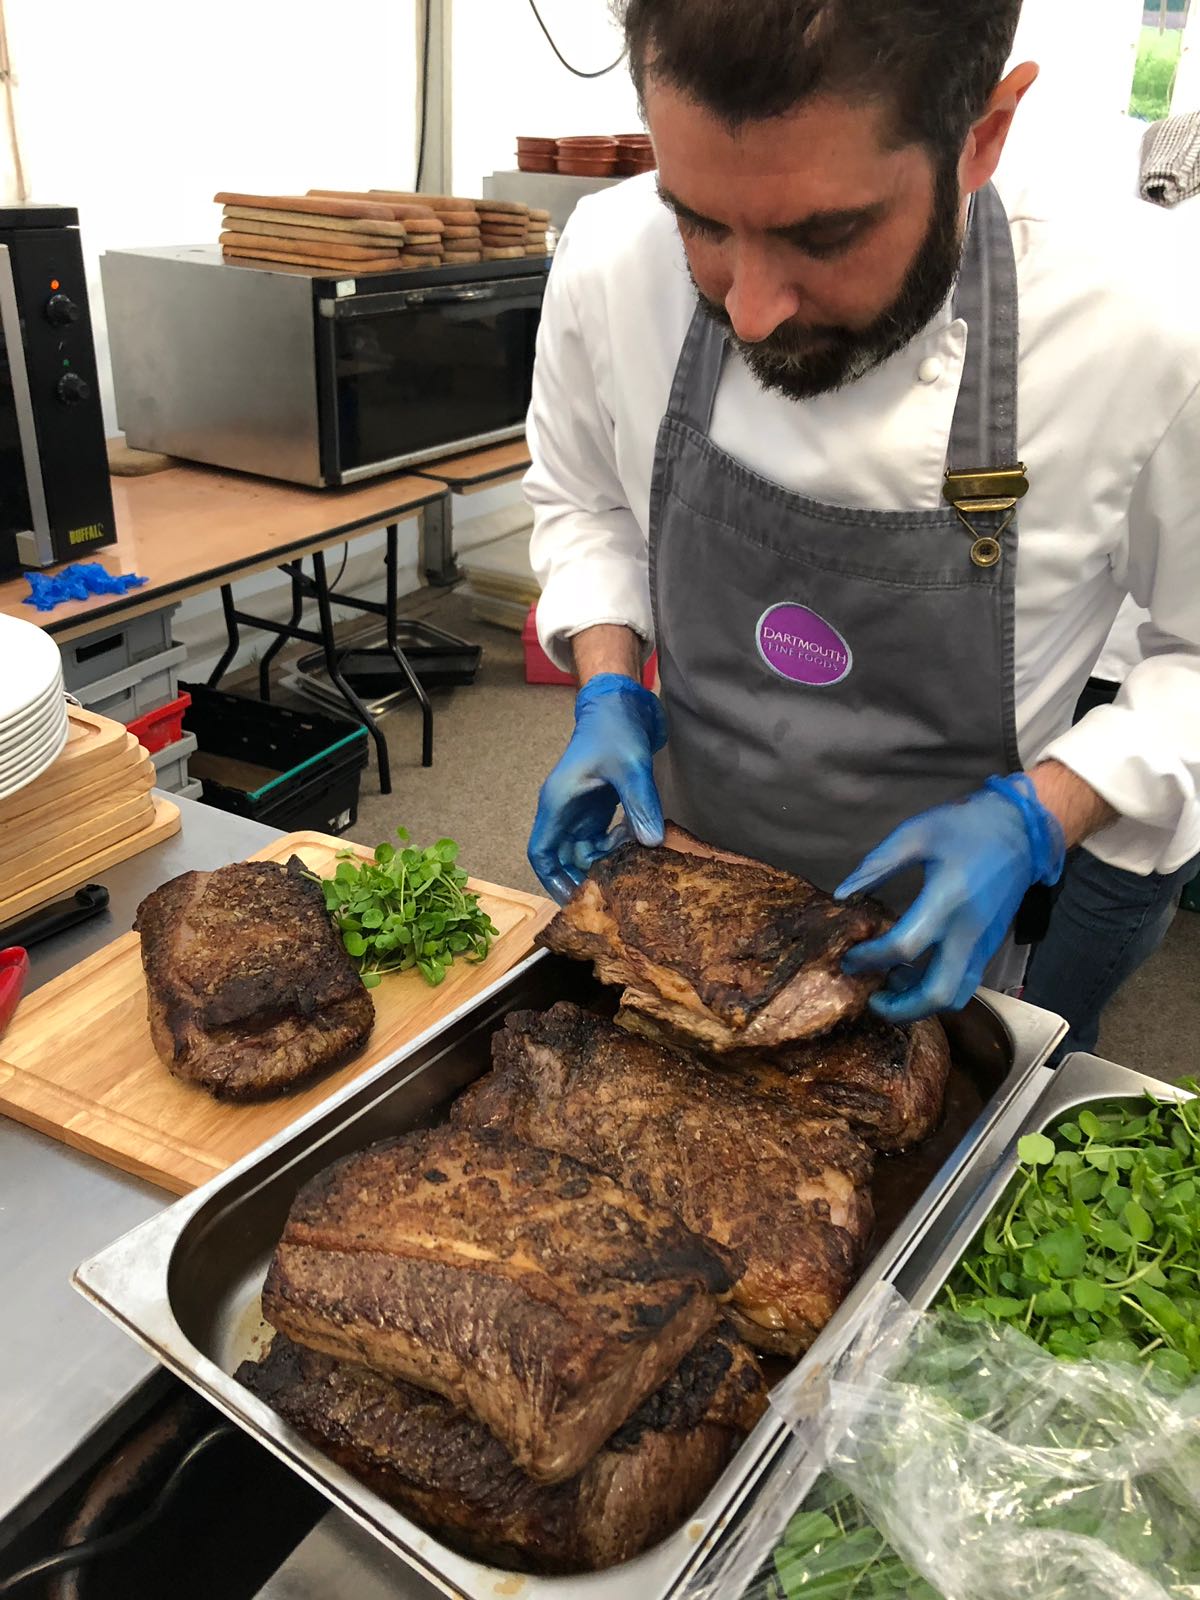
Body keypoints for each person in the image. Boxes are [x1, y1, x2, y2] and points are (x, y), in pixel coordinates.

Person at [524, 0, 1200, 1034]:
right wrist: (608, 681)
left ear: (982, 135)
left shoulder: (1141, 338)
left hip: (941, 952)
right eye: (699, 221)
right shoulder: (612, 257)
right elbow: (587, 497)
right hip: (683, 914)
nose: (749, 306)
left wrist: (1042, 813)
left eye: (824, 233)